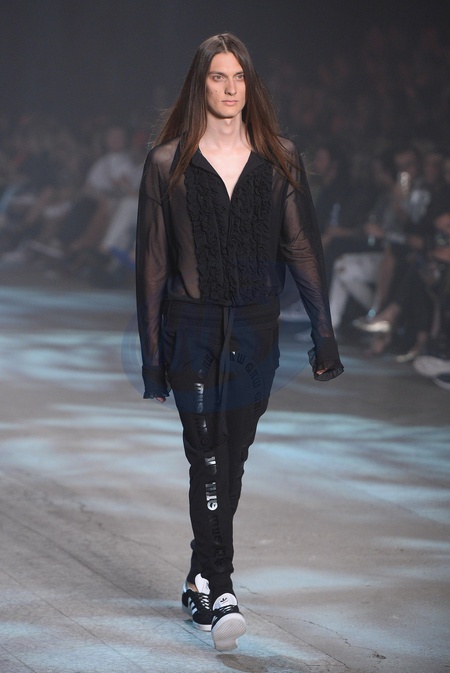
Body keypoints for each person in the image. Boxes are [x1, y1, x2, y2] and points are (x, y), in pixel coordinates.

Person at [135, 33, 343, 652]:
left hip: (256, 330)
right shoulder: (167, 162)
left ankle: (198, 576)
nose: (230, 89)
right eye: (218, 77)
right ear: (199, 85)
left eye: (239, 77)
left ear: (251, 84)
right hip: (192, 328)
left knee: (234, 456)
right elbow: (152, 264)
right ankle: (222, 589)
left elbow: (301, 245)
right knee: (207, 456)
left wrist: (324, 334)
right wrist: (152, 357)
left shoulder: (280, 156)